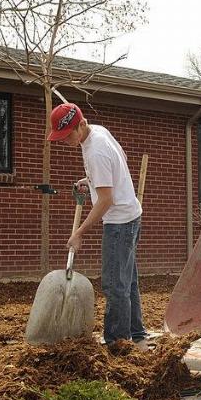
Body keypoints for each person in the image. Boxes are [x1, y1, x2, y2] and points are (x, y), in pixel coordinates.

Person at [48, 102, 149, 347]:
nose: (65, 141)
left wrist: (79, 233)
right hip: (132, 214)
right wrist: (92, 180)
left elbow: (106, 199)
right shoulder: (98, 132)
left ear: (81, 124)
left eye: (67, 135)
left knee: (115, 284)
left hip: (120, 222)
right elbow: (121, 160)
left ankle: (117, 343)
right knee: (128, 280)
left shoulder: (95, 152)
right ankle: (135, 335)